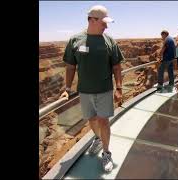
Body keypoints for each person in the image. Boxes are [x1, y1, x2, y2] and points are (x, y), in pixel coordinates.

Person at [59, 5, 124, 172]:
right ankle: (97, 138)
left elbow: (116, 67)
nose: (106, 26)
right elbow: (70, 67)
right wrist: (67, 88)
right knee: (92, 119)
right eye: (104, 22)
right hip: (85, 90)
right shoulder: (75, 40)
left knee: (104, 121)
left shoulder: (110, 41)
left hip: (105, 90)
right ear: (93, 20)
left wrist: (119, 88)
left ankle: (106, 152)